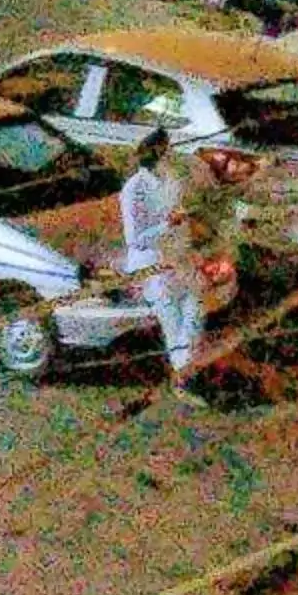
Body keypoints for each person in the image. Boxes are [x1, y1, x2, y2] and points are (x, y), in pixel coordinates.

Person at [119, 126, 208, 401]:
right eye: (167, 149)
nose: (172, 153)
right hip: (152, 264)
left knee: (195, 307)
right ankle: (184, 375)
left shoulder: (172, 179)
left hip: (179, 258)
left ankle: (187, 366)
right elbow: (136, 239)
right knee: (172, 314)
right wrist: (168, 224)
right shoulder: (134, 190)